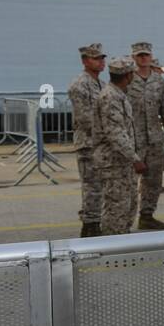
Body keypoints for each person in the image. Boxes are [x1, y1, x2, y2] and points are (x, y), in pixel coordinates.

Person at [94, 57, 145, 236]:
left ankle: (122, 238)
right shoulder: (110, 97)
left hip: (121, 161)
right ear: (128, 75)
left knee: (127, 204)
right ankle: (112, 245)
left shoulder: (118, 94)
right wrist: (135, 158)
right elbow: (115, 133)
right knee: (116, 206)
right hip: (113, 162)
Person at [126, 41, 164, 229]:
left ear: (151, 57)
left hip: (154, 139)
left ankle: (147, 215)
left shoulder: (158, 81)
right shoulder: (128, 80)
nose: (143, 58)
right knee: (128, 182)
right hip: (133, 140)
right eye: (139, 55)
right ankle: (125, 219)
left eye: (146, 55)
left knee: (153, 180)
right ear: (134, 58)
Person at [68, 43, 107, 237]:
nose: (101, 62)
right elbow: (85, 118)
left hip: (99, 144)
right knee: (91, 186)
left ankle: (95, 221)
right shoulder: (79, 85)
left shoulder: (101, 83)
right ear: (85, 61)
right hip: (88, 144)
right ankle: (89, 225)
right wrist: (108, 129)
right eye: (96, 58)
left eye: (102, 58)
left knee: (99, 185)